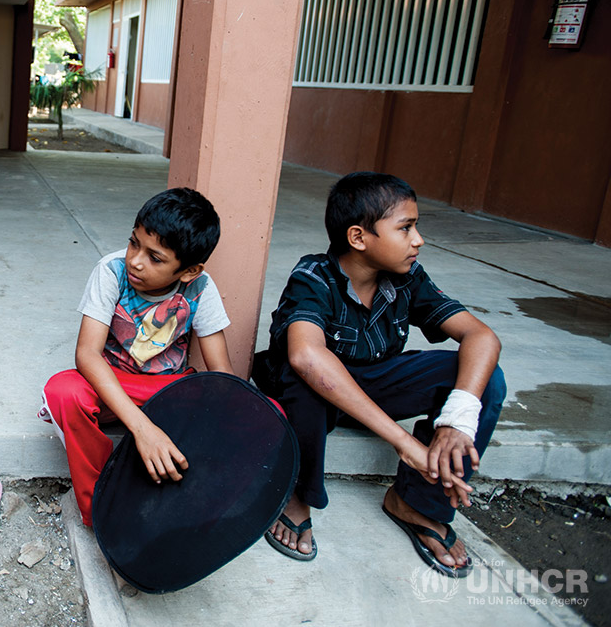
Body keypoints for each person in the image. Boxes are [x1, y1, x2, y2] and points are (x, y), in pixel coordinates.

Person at [254, 171, 504, 577]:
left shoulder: (408, 279)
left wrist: (457, 417)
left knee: (483, 376)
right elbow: (305, 356)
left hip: (374, 387)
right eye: (405, 228)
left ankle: (417, 504)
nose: (418, 239)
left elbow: (481, 336)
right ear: (358, 237)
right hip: (310, 396)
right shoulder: (313, 277)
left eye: (415, 226)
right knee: (305, 375)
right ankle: (295, 491)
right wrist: (403, 441)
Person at [39, 187, 233, 526]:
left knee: (254, 410)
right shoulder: (111, 271)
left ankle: (189, 504)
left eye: (155, 258)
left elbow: (221, 374)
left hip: (167, 390)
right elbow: (87, 354)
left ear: (189, 272)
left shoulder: (200, 288)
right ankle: (100, 508)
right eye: (134, 243)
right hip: (112, 386)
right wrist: (142, 429)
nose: (135, 260)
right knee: (63, 391)